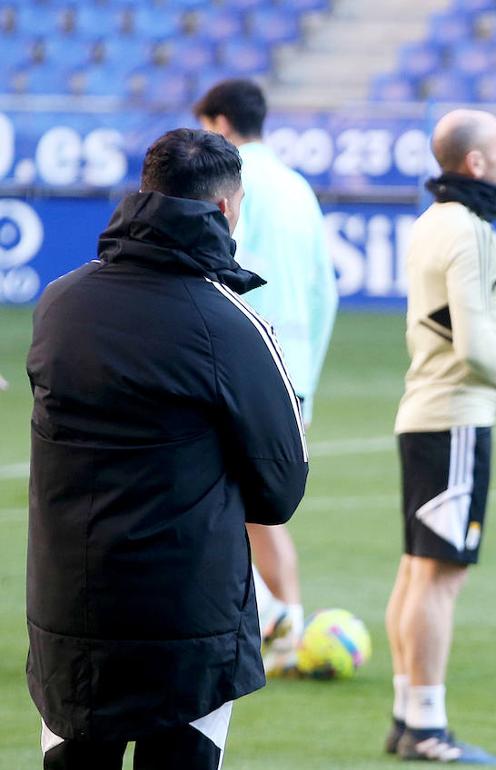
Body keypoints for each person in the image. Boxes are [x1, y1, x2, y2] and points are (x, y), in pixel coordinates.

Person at [25, 128, 308, 769]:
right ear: (226, 211)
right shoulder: (229, 323)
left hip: (69, 610)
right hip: (188, 624)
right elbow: (281, 490)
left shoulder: (60, 303)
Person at [383, 108, 496, 764]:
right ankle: (426, 725)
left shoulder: (430, 222)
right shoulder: (470, 229)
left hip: (424, 413)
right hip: (455, 418)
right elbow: (478, 349)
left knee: (419, 572)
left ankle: (405, 712)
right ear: (474, 163)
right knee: (441, 578)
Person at [194, 78, 338, 672]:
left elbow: (215, 268)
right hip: (291, 370)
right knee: (263, 505)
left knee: (205, 496)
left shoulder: (227, 185)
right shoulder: (300, 187)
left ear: (220, 122)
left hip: (234, 366)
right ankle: (289, 626)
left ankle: (273, 610)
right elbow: (324, 290)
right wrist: (305, 376)